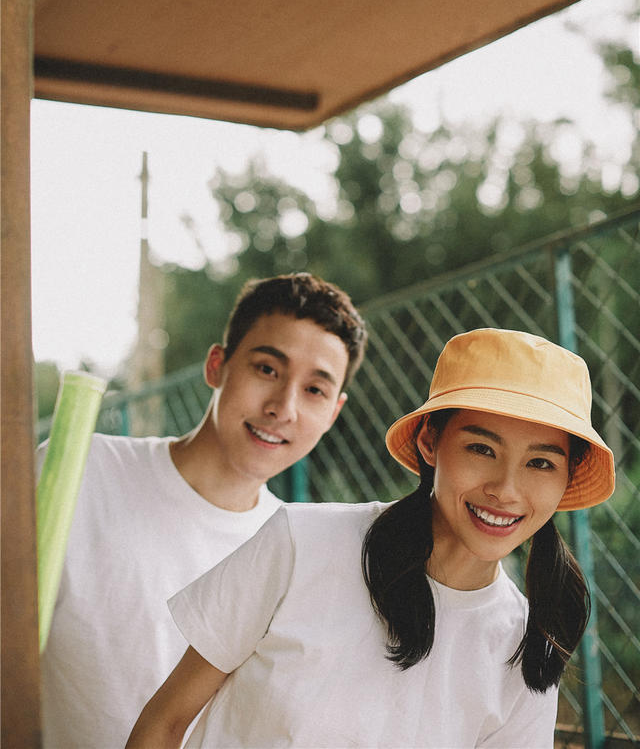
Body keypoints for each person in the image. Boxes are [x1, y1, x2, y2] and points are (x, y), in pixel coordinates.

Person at [126, 328, 615, 749]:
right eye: (482, 448)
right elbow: (164, 723)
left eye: (540, 463)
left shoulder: (528, 648)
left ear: (567, 478)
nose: (506, 490)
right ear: (430, 443)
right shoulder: (303, 544)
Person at [37, 272, 367, 749]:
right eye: (267, 369)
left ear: (333, 413)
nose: (283, 407)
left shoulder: (297, 551)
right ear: (217, 366)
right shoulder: (85, 470)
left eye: (314, 390)